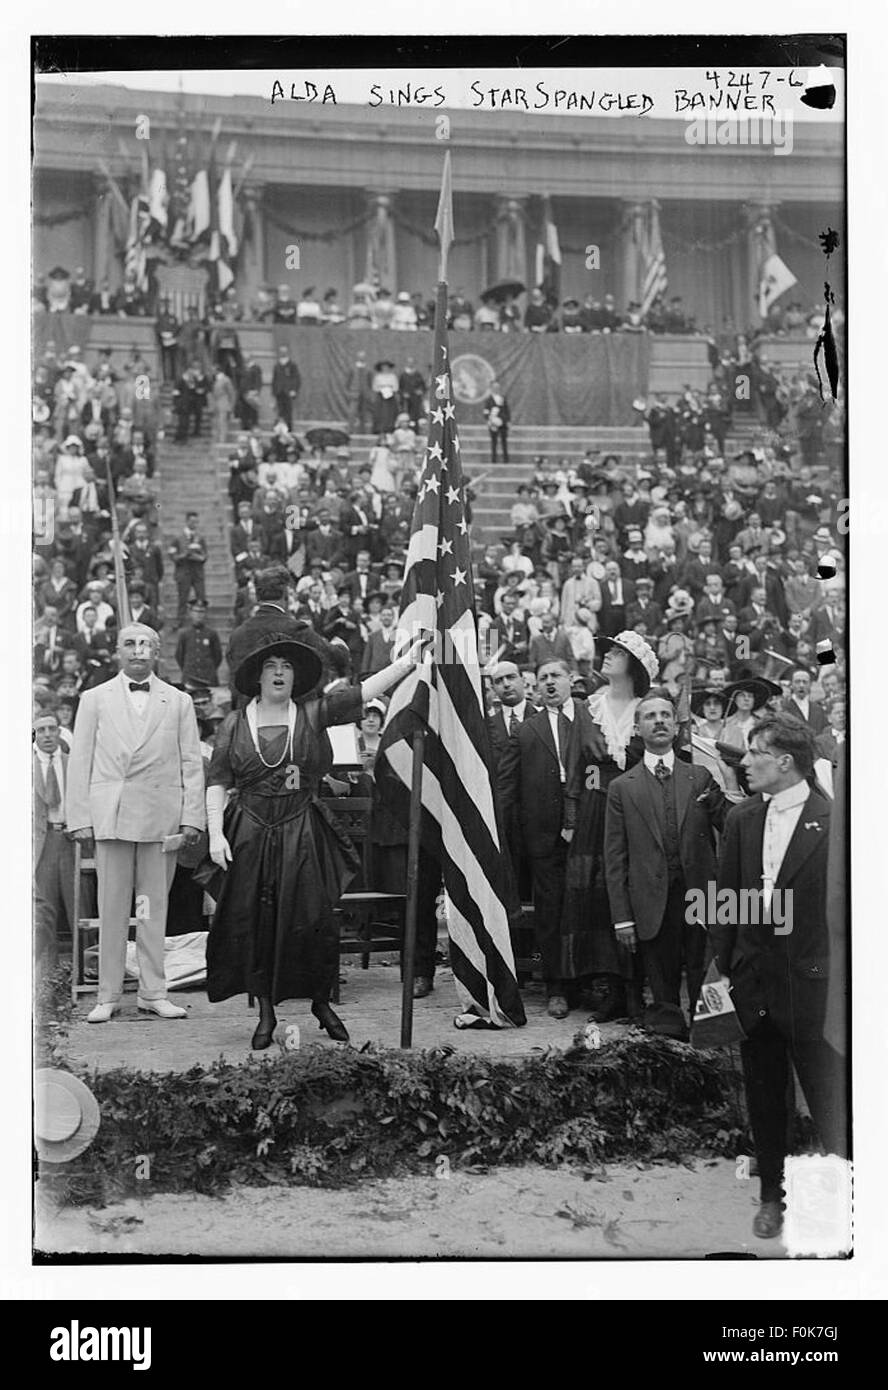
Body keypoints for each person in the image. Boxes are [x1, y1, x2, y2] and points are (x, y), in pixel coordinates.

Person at [205, 630, 426, 1048]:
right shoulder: (234, 724)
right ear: (257, 676)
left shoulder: (312, 713)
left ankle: (321, 1003)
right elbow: (217, 781)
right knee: (257, 921)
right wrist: (216, 833)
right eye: (271, 666)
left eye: (286, 667)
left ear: (295, 678)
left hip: (301, 828)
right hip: (250, 830)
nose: (279, 673)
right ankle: (266, 1013)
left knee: (315, 919)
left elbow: (361, 694)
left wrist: (407, 663)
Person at [711, 712, 847, 1240]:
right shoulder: (744, 819)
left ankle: (843, 1198)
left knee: (829, 1097)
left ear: (785, 761)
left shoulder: (832, 821)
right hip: (754, 983)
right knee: (765, 1096)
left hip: (812, 985)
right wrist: (725, 971)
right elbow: (726, 900)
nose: (744, 763)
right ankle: (773, 1195)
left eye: (754, 754)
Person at [65, 624, 206, 1023]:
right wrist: (80, 817)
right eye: (130, 644)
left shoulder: (177, 701)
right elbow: (81, 762)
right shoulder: (94, 699)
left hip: (159, 821)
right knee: (112, 907)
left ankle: (153, 991)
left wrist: (191, 816)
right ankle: (107, 995)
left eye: (146, 645)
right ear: (117, 651)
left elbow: (192, 762)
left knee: (150, 908)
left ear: (157, 652)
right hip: (111, 816)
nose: (138, 651)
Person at [604, 688, 742, 1036]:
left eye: (665, 715)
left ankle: (708, 1037)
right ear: (637, 728)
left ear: (677, 725)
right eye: (650, 716)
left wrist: (728, 786)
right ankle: (670, 1042)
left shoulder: (699, 776)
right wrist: (622, 918)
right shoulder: (622, 787)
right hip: (650, 899)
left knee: (703, 969)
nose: (659, 721)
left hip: (699, 894)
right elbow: (615, 858)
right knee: (661, 975)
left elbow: (732, 829)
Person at [561, 632, 658, 1021]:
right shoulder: (587, 708)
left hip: (636, 808)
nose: (608, 656)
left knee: (633, 890)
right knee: (598, 897)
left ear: (633, 666)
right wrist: (570, 817)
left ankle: (637, 990)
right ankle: (610, 989)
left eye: (617, 653)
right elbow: (573, 767)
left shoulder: (647, 709)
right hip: (593, 807)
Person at [498, 658, 582, 1019]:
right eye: (544, 678)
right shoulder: (527, 730)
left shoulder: (591, 721)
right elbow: (506, 785)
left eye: (556, 677)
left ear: (570, 681)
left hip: (588, 827)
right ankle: (556, 986)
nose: (550, 683)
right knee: (551, 909)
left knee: (589, 903)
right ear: (536, 686)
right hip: (542, 833)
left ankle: (596, 983)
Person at [33, 710, 75, 978]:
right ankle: (47, 976)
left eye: (52, 729)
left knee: (78, 905)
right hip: (41, 842)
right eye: (41, 730)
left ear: (60, 732)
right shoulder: (22, 766)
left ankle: (84, 969)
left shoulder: (74, 764)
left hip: (72, 840)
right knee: (44, 910)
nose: (47, 735)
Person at [169, 511, 208, 623]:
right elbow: (172, 556)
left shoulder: (200, 538)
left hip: (197, 572)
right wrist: (185, 554)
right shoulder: (177, 538)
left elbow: (205, 555)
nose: (194, 524)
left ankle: (201, 620)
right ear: (186, 522)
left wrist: (198, 556)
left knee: (201, 596)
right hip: (183, 572)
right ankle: (180, 620)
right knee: (183, 598)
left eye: (196, 522)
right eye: (192, 521)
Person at [175, 599, 223, 688]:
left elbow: (217, 656)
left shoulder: (211, 633)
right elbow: (179, 656)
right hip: (190, 677)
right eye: (196, 611)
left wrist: (209, 669)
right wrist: (188, 669)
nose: (199, 615)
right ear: (191, 613)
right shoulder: (184, 634)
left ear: (205, 614)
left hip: (208, 677)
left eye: (202, 612)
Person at [271, 345, 301, 428]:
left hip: (288, 391)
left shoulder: (292, 365)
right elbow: (274, 379)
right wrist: (274, 392)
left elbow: (296, 378)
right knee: (280, 411)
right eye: (281, 351)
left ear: (287, 352)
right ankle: (280, 428)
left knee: (288, 411)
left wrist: (294, 390)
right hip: (279, 391)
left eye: (284, 351)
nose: (282, 353)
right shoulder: (277, 365)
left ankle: (289, 428)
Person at [484, 381, 510, 463]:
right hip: (493, 424)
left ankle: (506, 460)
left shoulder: (503, 398)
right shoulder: (488, 400)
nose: (496, 389)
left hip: (503, 423)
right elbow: (486, 412)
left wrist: (507, 420)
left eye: (498, 387)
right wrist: (490, 420)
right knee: (494, 442)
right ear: (491, 388)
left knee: (504, 441)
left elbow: (506, 410)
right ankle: (494, 460)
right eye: (494, 387)